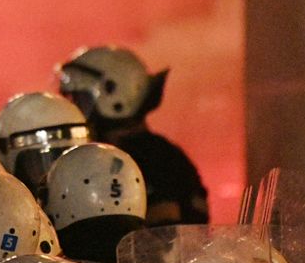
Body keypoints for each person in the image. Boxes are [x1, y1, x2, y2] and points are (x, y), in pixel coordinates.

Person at [56, 45, 208, 224]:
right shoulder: (165, 155)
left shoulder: (158, 160)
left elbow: (162, 235)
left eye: (80, 99)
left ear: (113, 96)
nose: (75, 108)